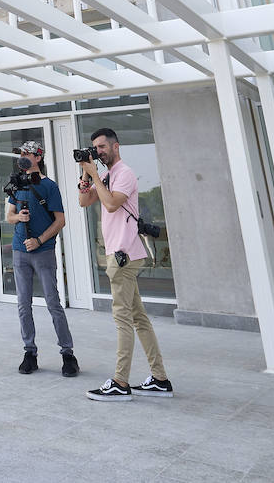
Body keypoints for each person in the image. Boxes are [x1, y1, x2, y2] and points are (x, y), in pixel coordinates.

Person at [77, 127, 172, 401]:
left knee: (122, 319)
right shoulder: (105, 175)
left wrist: (95, 174)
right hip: (120, 254)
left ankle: (120, 382)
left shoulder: (124, 174)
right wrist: (87, 173)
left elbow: (110, 205)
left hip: (123, 256)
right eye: (95, 148)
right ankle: (159, 378)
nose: (99, 152)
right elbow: (84, 201)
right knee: (139, 318)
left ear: (116, 146)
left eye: (102, 147)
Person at [5, 140, 77, 377]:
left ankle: (68, 354)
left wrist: (39, 240)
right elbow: (9, 216)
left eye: (27, 153)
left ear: (38, 157)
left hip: (43, 252)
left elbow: (60, 220)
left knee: (53, 303)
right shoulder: (15, 184)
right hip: (19, 251)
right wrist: (19, 219)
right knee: (23, 304)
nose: (22, 157)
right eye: (20, 154)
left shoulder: (49, 186)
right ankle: (30, 353)